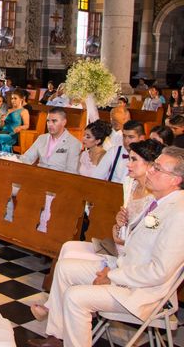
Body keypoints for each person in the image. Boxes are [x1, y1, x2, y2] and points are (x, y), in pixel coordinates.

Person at [26, 146, 184, 347]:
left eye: (158, 169)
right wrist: (120, 228)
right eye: (153, 166)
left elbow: (159, 272)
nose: (151, 171)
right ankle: (57, 336)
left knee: (76, 297)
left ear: (175, 180)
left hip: (144, 292)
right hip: (125, 272)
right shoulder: (157, 202)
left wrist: (111, 276)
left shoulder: (179, 213)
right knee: (66, 267)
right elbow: (130, 243)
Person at [20, 107, 81, 173]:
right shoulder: (42, 138)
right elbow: (27, 157)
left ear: (64, 122)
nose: (50, 124)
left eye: (54, 121)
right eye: (48, 121)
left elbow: (71, 171)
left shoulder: (74, 143)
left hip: (59, 179)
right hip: (38, 176)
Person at [0, 88, 30, 154]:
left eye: (15, 98)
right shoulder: (9, 110)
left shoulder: (24, 111)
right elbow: (2, 126)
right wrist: (2, 121)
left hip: (12, 135)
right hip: (2, 132)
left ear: (21, 99)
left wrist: (20, 127)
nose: (13, 100)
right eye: (12, 98)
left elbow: (27, 125)